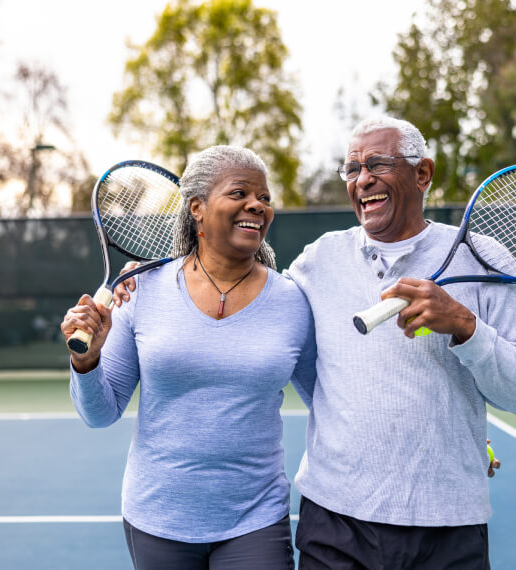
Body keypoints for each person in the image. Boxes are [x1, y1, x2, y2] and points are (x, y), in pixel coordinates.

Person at [60, 145, 317, 570]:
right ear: (196, 208)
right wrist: (87, 363)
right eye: (239, 193)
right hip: (157, 518)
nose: (257, 205)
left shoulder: (292, 301)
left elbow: (326, 402)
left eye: (265, 198)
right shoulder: (141, 290)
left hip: (255, 519)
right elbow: (100, 413)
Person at [286, 115, 516, 569]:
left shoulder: (486, 258)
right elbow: (271, 326)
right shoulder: (319, 259)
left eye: (378, 164)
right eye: (352, 169)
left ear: (422, 174)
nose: (362, 179)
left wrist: (464, 326)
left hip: (449, 523)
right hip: (334, 521)